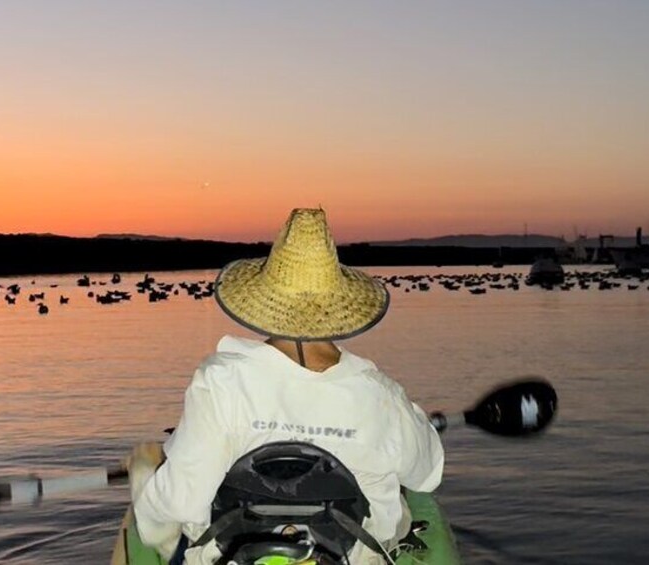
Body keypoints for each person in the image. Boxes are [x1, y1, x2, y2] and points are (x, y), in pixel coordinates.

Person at [129, 208, 444, 564]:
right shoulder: (379, 394)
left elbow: (179, 502)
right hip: (347, 558)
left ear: (264, 300)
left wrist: (146, 480)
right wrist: (408, 417)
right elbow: (427, 475)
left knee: (163, 501)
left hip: (234, 557)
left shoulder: (220, 382)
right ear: (339, 307)